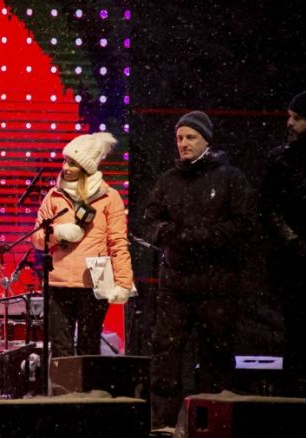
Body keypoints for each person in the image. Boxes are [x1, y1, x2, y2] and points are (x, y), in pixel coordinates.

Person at [144, 111, 254, 429]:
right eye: (179, 138)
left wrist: (202, 237)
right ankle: (162, 422)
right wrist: (170, 234)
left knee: (215, 356)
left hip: (216, 284)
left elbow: (244, 225)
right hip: (175, 283)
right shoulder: (167, 180)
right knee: (165, 352)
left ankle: (210, 422)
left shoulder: (230, 178)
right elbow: (149, 222)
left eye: (190, 137)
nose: (183, 144)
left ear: (206, 139)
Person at [31, 132, 134, 358]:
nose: (66, 167)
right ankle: (62, 394)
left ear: (86, 168)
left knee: (89, 347)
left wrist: (124, 283)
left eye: (73, 164)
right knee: (61, 349)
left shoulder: (109, 197)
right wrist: (57, 233)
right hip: (58, 285)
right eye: (65, 161)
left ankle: (90, 393)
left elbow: (117, 242)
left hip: (93, 285)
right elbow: (37, 238)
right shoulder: (53, 195)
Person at [260, 91, 306, 397]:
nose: (289, 123)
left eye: (297, 118)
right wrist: (294, 240)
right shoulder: (279, 159)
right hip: (293, 261)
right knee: (294, 329)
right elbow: (268, 207)